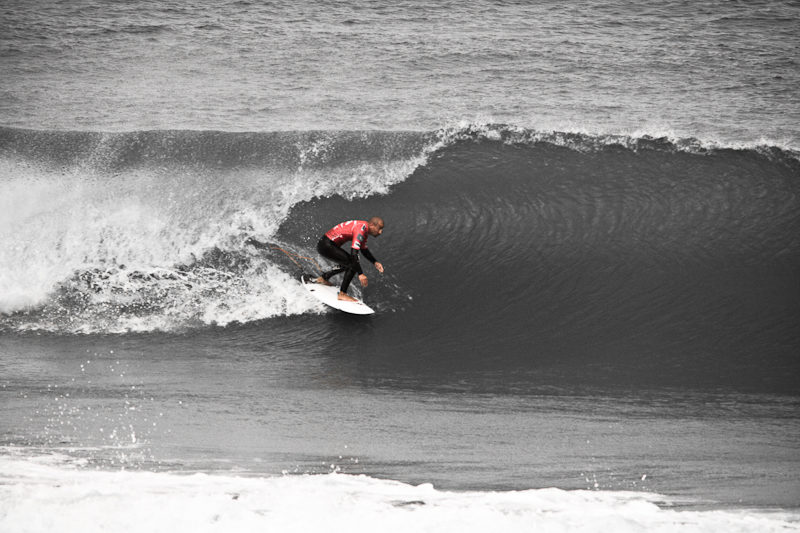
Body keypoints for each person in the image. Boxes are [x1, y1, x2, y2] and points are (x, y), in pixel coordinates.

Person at [315, 217, 385, 302]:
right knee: (352, 263)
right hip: (326, 245)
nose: (380, 232)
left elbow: (363, 249)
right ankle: (342, 294)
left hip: (326, 244)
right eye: (379, 228)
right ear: (372, 225)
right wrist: (360, 274)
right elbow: (354, 254)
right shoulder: (361, 230)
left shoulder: (363, 228)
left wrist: (374, 262)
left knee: (349, 262)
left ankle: (323, 279)